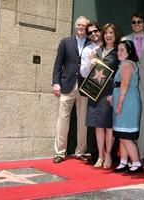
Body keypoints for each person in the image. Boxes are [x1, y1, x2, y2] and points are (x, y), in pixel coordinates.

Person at [52, 16, 90, 163]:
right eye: (79, 25)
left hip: (84, 87)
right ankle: (60, 152)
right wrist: (55, 83)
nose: (81, 27)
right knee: (62, 120)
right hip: (67, 85)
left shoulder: (91, 43)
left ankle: (80, 151)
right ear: (75, 26)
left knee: (83, 121)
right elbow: (57, 64)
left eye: (84, 25)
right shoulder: (65, 42)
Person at [122, 13, 144, 163]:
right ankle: (129, 155)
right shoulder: (124, 40)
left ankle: (140, 156)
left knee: (143, 120)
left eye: (139, 22)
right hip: (129, 85)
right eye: (133, 22)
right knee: (130, 119)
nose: (136, 24)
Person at [87, 23, 120, 169]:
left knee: (108, 126)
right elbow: (91, 72)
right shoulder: (97, 50)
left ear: (115, 35)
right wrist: (91, 61)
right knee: (98, 126)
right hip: (95, 91)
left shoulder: (118, 51)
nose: (108, 35)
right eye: (106, 33)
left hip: (109, 92)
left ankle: (108, 155)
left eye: (111, 32)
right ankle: (100, 155)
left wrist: (96, 61)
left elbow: (118, 73)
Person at [112, 40, 144, 173]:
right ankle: (124, 162)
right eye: (118, 50)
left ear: (129, 52)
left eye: (122, 50)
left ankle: (137, 163)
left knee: (125, 135)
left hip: (127, 102)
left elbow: (124, 84)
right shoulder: (124, 64)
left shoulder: (127, 64)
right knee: (122, 133)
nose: (118, 52)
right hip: (125, 99)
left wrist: (119, 103)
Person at [80, 21, 102, 164]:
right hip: (94, 87)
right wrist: (90, 61)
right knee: (94, 121)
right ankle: (94, 154)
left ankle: (110, 153)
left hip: (110, 87)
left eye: (95, 31)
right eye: (90, 33)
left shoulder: (109, 46)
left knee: (108, 122)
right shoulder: (88, 50)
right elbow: (83, 72)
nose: (93, 34)